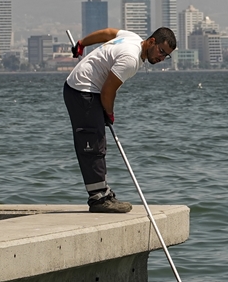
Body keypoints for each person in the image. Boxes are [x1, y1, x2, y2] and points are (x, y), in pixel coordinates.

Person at [63, 27, 177, 212]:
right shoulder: (131, 59)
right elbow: (108, 91)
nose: (161, 58)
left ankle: (102, 193)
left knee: (97, 139)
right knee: (93, 143)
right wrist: (109, 113)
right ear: (152, 41)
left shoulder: (132, 38)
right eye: (161, 51)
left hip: (84, 88)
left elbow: (107, 33)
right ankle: (99, 198)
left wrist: (82, 43)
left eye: (167, 56)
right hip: (82, 90)